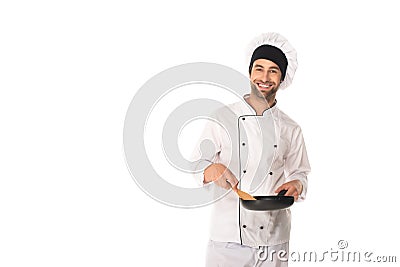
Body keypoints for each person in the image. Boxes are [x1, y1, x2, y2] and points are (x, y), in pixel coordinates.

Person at [193, 32, 311, 267]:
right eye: (259, 68)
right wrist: (212, 168)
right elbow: (197, 163)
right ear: (250, 72)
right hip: (228, 239)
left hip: (274, 237)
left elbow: (301, 173)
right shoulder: (222, 117)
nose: (264, 77)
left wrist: (297, 184)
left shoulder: (291, 128)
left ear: (282, 78)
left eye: (273, 70)